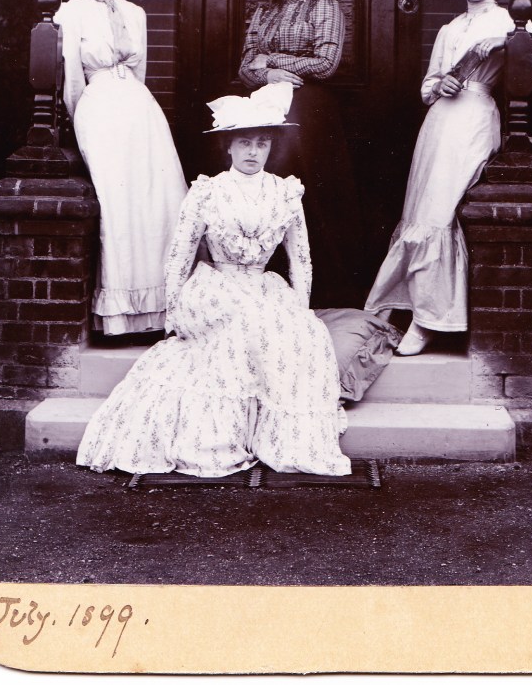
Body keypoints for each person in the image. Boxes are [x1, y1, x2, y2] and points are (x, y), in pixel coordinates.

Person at [76, 82, 351, 477]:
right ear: (228, 147)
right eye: (245, 143)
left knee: (298, 335)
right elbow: (179, 256)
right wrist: (173, 312)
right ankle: (219, 435)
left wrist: (299, 308)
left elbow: (301, 259)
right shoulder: (208, 192)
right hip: (216, 288)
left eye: (262, 143)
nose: (254, 152)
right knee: (237, 332)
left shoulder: (286, 193)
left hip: (262, 285)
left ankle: (269, 434)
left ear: (272, 147)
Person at [365, 0, 532, 356]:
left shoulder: (508, 20)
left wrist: (511, 43)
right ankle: (407, 306)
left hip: (473, 118)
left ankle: (432, 321)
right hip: (439, 123)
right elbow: (427, 88)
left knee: (438, 212)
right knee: (418, 211)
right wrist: (440, 84)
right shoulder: (450, 28)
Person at [55, 0, 188, 335]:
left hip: (138, 107)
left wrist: (133, 103)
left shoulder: (135, 13)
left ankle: (161, 310)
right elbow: (73, 83)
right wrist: (83, 124)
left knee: (161, 195)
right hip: (98, 107)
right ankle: (119, 315)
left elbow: (140, 71)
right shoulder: (70, 13)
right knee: (119, 203)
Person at [238, 0, 363, 308]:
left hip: (311, 108)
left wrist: (272, 60)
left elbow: (325, 64)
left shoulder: (324, 7)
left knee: (299, 177)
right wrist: (268, 74)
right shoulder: (264, 11)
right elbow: (245, 66)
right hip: (267, 102)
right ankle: (261, 280)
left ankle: (317, 288)